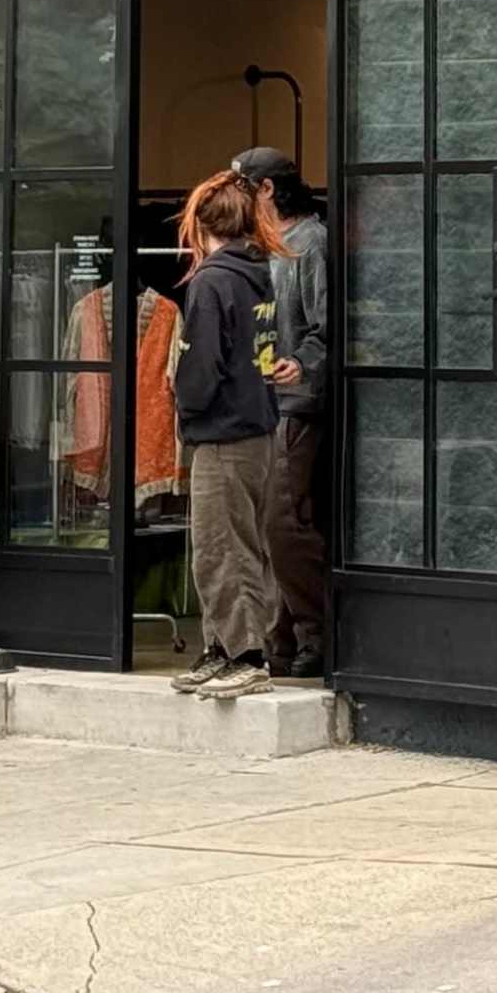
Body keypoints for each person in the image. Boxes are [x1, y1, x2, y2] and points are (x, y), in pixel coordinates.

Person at [170, 169, 286, 700]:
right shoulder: (256, 274)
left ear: (200, 223)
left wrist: (185, 407)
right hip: (257, 427)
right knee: (241, 543)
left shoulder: (211, 282)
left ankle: (244, 654)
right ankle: (222, 648)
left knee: (220, 548)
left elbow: (201, 369)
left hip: (223, 432)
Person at [244, 146, 332, 680]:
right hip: (265, 405)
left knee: (283, 521)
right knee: (269, 523)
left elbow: (330, 324)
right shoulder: (267, 248)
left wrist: (301, 362)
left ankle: (316, 631)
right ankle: (280, 638)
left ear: (267, 190)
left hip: (297, 406)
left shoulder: (311, 245)